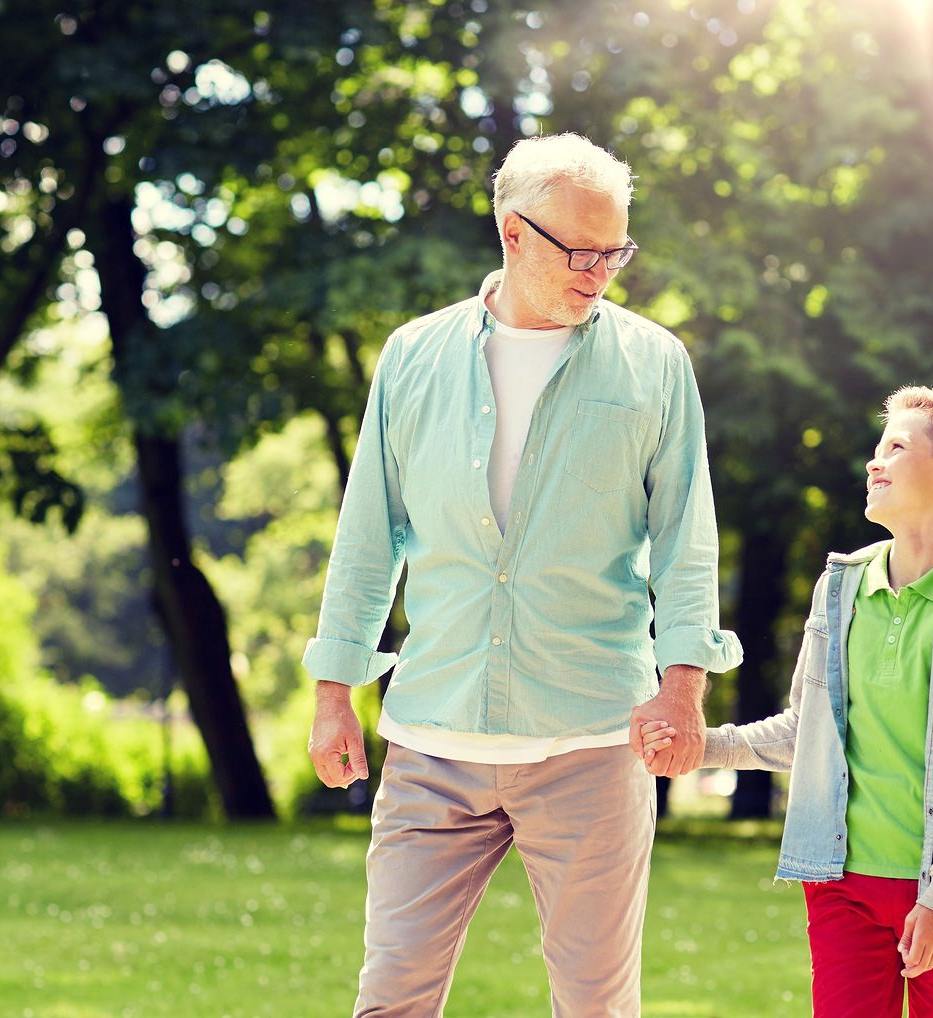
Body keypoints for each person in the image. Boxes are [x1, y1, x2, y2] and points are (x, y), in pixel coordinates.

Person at [304, 132, 742, 1018]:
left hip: (588, 740)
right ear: (512, 233)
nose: (598, 272)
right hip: (432, 740)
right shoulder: (412, 357)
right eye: (578, 251)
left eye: (614, 251)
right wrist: (332, 692)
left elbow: (684, 539)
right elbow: (367, 536)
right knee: (388, 1001)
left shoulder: (655, 364)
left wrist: (683, 684)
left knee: (596, 1007)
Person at [638, 385, 933, 1018]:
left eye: (896, 447)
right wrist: (700, 746)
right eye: (878, 448)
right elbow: (805, 730)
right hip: (841, 884)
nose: (874, 462)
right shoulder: (840, 588)